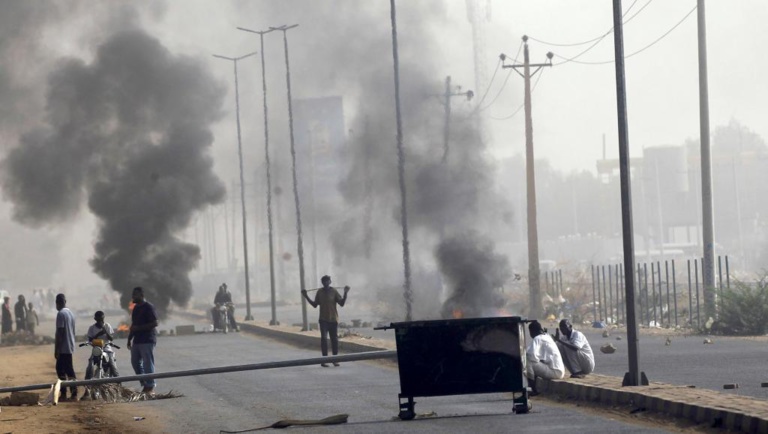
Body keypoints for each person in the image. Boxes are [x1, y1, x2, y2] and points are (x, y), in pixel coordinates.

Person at [301, 275, 350, 367]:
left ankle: (335, 360)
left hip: (333, 319)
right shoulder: (319, 292)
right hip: (323, 320)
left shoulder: (334, 291)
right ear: (322, 282)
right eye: (324, 281)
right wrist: (306, 296)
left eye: (327, 281)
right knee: (324, 339)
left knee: (334, 340)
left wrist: (345, 293)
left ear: (330, 282)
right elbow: (315, 305)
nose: (326, 282)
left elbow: (342, 303)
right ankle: (324, 360)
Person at [127, 286, 158, 396]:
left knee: (147, 363)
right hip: (137, 340)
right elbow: (134, 325)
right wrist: (129, 338)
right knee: (135, 363)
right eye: (133, 294)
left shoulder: (149, 307)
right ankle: (145, 383)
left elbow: (155, 323)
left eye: (135, 294)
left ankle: (150, 385)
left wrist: (139, 328)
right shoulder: (136, 308)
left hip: (147, 340)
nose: (133, 296)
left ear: (141, 295)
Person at [525, 320, 565, 396]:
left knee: (528, 361)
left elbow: (530, 355)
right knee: (535, 361)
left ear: (531, 331)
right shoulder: (546, 337)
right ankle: (532, 387)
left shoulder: (538, 338)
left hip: (554, 372)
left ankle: (533, 389)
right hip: (559, 371)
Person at [55, 293, 78, 401]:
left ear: (57, 303)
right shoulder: (70, 313)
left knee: (62, 370)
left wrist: (57, 349)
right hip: (70, 345)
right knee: (68, 369)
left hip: (64, 347)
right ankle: (71, 393)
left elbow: (60, 332)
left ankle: (68, 393)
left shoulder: (61, 314)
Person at [86, 311, 119, 378]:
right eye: (98, 319)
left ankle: (117, 379)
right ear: (95, 319)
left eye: (101, 319)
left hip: (107, 349)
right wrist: (98, 334)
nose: (100, 321)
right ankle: (87, 380)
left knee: (112, 364)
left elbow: (111, 338)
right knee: (90, 362)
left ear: (104, 318)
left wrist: (105, 331)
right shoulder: (92, 328)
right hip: (97, 350)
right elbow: (90, 340)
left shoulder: (107, 326)